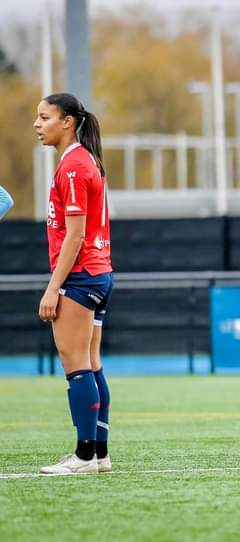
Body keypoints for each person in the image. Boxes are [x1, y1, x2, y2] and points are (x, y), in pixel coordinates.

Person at [33, 93, 113, 475]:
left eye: (45, 117)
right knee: (92, 364)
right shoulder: (82, 161)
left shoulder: (73, 166)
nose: (37, 124)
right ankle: (99, 454)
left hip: (81, 277)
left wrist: (53, 288)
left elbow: (75, 235)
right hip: (97, 273)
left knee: (76, 365)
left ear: (68, 121)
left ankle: (83, 457)